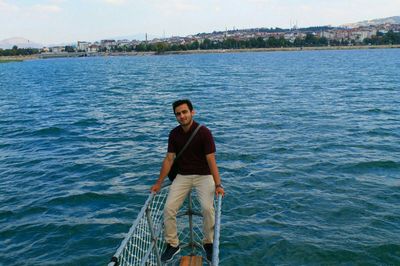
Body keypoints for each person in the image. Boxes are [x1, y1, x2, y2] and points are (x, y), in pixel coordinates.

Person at [151, 99, 225, 263]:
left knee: (207, 209)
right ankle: (172, 244)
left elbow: (211, 160)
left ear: (192, 112)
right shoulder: (174, 134)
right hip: (182, 176)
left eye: (185, 112)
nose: (182, 116)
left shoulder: (204, 133)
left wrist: (218, 184)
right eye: (178, 114)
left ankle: (208, 243)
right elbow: (169, 159)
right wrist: (158, 183)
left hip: (204, 176)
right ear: (176, 116)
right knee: (168, 208)